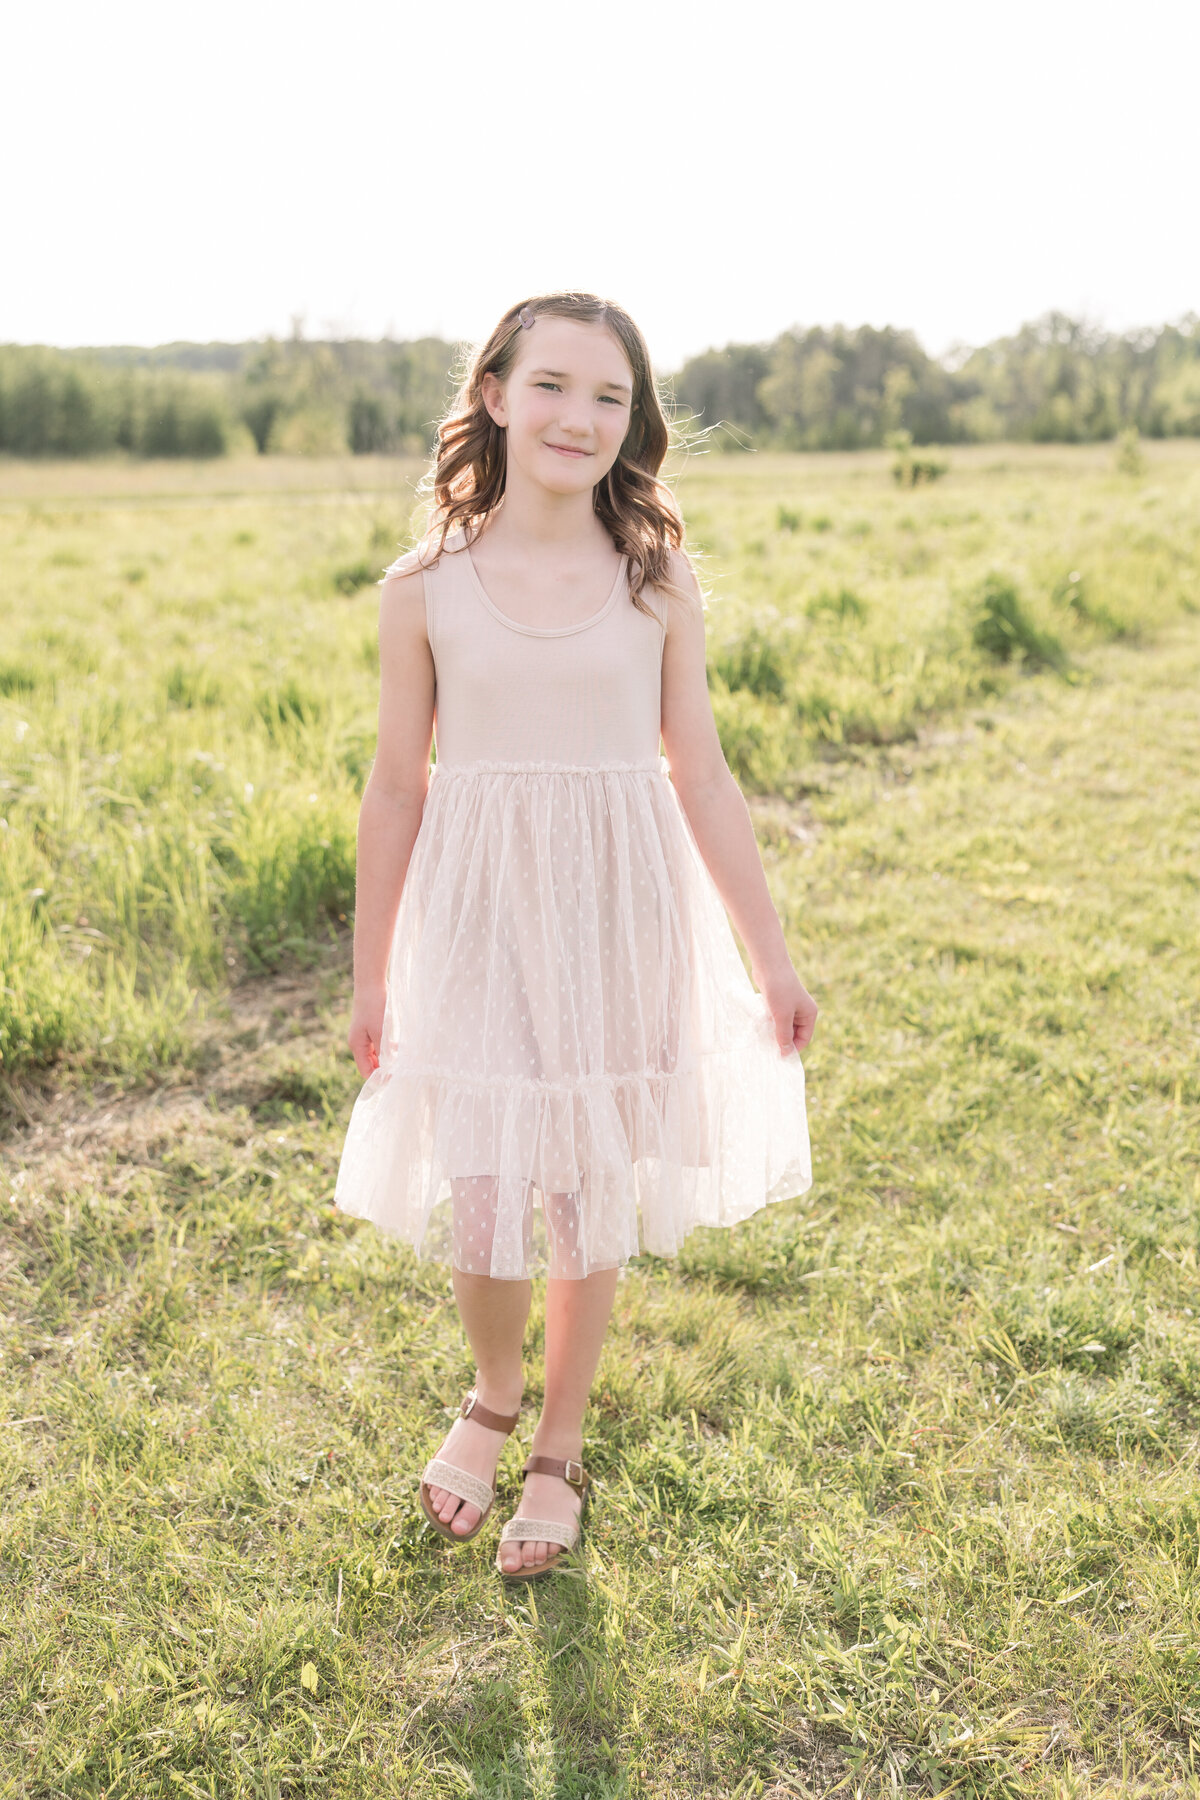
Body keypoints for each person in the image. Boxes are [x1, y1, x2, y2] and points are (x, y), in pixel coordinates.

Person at [334, 291, 818, 1581]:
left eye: (611, 396)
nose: (581, 417)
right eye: (553, 385)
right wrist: (372, 970)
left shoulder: (655, 579)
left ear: (635, 420)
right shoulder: (425, 589)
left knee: (583, 1177)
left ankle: (556, 1441)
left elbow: (702, 775)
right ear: (493, 393)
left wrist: (770, 955)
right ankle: (494, 1389)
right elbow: (395, 786)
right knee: (487, 1176)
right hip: (481, 903)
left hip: (619, 901)